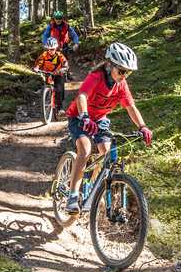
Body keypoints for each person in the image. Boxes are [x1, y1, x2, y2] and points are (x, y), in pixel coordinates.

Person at [63, 42, 153, 214]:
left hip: (99, 119)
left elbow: (131, 107)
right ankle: (73, 195)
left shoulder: (122, 85)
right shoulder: (95, 78)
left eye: (128, 72)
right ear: (109, 65)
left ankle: (92, 188)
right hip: (79, 116)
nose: (124, 75)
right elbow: (82, 96)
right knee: (85, 149)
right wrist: (85, 117)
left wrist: (143, 126)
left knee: (106, 154)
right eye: (121, 71)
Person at [33, 38, 69, 119]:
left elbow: (65, 62)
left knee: (58, 89)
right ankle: (46, 99)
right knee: (47, 85)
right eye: (49, 49)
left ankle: (59, 108)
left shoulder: (59, 55)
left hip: (58, 73)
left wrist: (65, 68)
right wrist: (36, 68)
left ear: (55, 48)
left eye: (52, 49)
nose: (51, 51)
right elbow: (38, 62)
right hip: (48, 73)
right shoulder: (44, 54)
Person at [41, 11, 79, 81]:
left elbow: (74, 35)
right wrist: (44, 44)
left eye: (59, 19)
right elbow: (45, 35)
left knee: (66, 58)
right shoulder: (51, 25)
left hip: (64, 43)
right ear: (54, 19)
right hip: (54, 44)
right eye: (56, 19)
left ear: (62, 19)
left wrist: (76, 44)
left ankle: (68, 73)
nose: (58, 20)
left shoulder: (67, 25)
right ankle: (51, 73)